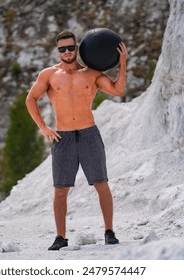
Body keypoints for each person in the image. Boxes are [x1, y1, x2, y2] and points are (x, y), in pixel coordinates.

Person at [25, 30, 128, 250]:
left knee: (101, 184)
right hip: (63, 138)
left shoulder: (91, 73)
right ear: (58, 50)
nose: (67, 52)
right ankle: (60, 237)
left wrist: (122, 63)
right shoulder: (49, 74)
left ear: (77, 47)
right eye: (62, 48)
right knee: (60, 189)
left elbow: (118, 90)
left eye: (71, 47)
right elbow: (31, 99)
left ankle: (109, 232)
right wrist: (43, 128)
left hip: (89, 133)